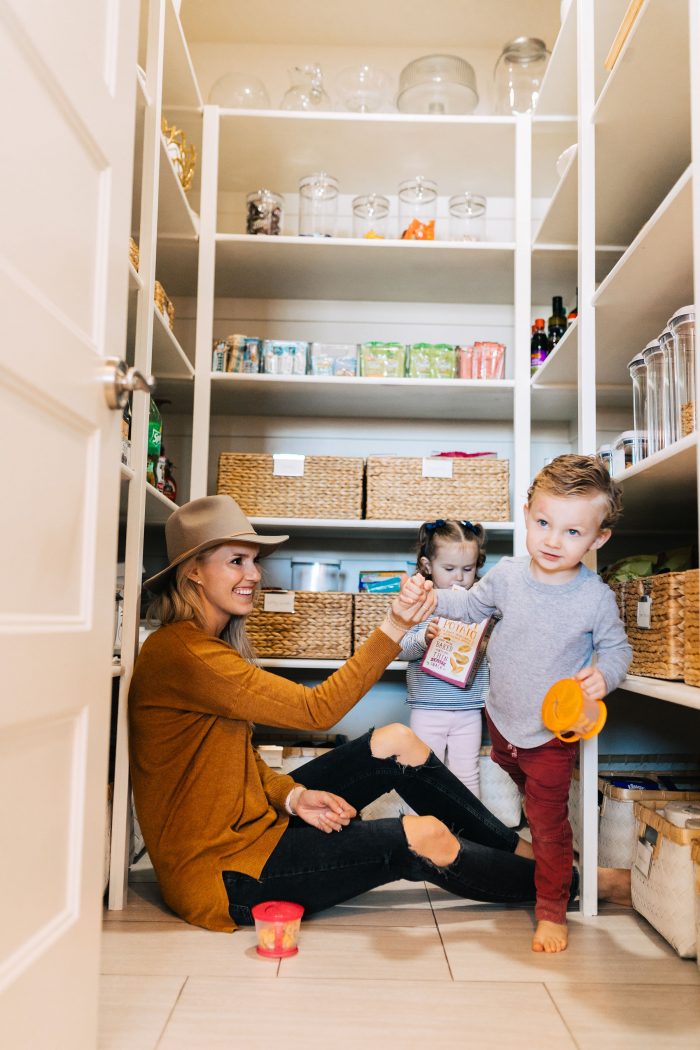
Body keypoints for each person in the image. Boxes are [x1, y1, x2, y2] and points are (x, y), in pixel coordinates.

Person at [129, 493, 631, 937]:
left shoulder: (202, 647)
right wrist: (393, 626)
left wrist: (294, 795)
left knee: (396, 741)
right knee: (422, 837)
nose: (254, 575)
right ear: (193, 570)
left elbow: (227, 761)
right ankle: (580, 884)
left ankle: (540, 862)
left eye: (254, 561)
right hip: (222, 873)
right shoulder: (185, 655)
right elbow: (317, 710)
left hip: (255, 830)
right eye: (237, 561)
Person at [400, 454, 633, 954]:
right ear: (526, 513)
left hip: (551, 732)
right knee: (516, 782)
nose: (552, 540)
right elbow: (468, 604)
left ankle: (552, 908)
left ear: (598, 539)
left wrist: (604, 675)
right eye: (544, 523)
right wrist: (431, 599)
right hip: (501, 720)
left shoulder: (594, 597)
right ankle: (547, 846)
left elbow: (617, 650)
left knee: (548, 822)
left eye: (573, 532)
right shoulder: (506, 575)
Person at [399, 519, 489, 797]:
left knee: (466, 773)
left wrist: (488, 639)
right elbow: (400, 649)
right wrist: (423, 638)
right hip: (427, 707)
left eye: (468, 569)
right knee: (424, 771)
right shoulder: (419, 603)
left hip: (469, 707)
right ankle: (423, 830)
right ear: (427, 566)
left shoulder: (481, 603)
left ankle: (473, 835)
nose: (459, 577)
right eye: (449, 569)